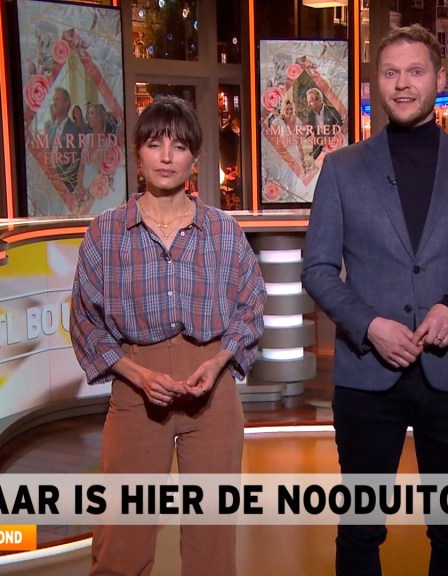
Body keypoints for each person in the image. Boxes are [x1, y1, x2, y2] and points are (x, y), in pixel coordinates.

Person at [302, 25, 448, 575]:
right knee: (360, 530)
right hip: (366, 376)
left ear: (439, 79)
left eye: (415, 71)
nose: (403, 84)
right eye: (391, 73)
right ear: (377, 84)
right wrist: (368, 325)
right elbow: (317, 269)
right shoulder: (342, 168)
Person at [70, 96, 266, 575]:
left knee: (211, 541)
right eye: (154, 144)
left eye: (178, 147)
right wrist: (136, 373)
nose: (165, 157)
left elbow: (252, 305)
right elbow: (85, 319)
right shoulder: (107, 232)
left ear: (194, 157)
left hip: (212, 394)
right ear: (137, 153)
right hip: (136, 393)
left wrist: (219, 361)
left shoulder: (222, 230)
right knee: (121, 537)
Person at [48, 87, 82, 196]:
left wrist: (59, 181)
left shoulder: (74, 130)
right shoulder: (51, 130)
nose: (54, 103)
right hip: (50, 188)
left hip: (67, 188)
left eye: (57, 100)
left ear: (66, 103)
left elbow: (75, 163)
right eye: (53, 100)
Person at [304, 87, 343, 160]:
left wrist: (329, 138)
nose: (308, 104)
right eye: (308, 102)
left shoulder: (332, 111)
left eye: (311, 101)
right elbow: (309, 130)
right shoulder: (311, 114)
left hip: (332, 148)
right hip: (318, 149)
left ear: (319, 100)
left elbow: (340, 126)